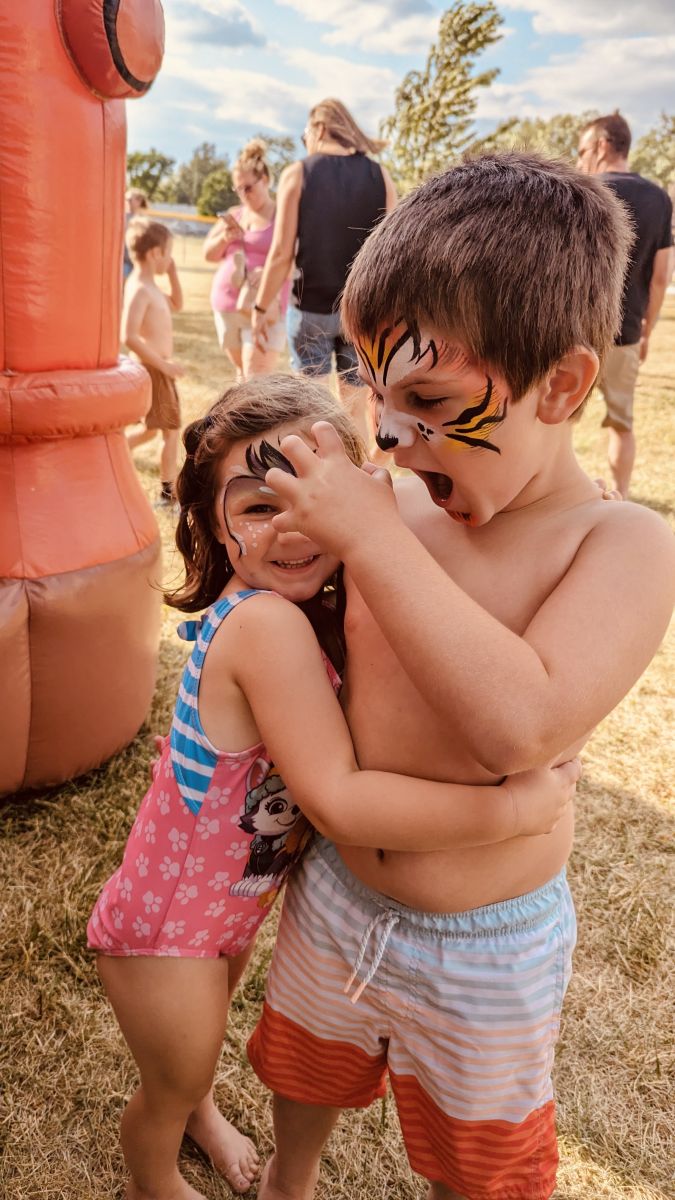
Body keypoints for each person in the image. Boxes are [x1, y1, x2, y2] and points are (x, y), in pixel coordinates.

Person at [245, 154, 675, 1200]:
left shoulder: (618, 544)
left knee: (478, 1159)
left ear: (564, 384)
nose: (389, 436)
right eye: (379, 395)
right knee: (304, 1069)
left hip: (489, 948)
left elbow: (519, 723)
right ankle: (286, 1183)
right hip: (339, 893)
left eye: (427, 396)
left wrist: (374, 539)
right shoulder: (399, 505)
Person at [87, 374, 580, 1200]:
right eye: (254, 506)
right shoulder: (269, 625)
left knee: (195, 1056)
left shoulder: (312, 604)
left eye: (310, 497)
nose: (290, 526)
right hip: (168, 930)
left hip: (225, 910)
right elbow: (340, 801)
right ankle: (152, 1177)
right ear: (212, 525)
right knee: (169, 1080)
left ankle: (201, 1110)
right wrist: (513, 807)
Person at [251, 98, 397, 443]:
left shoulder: (298, 173)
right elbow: (389, 256)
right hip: (361, 311)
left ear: (318, 129)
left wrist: (260, 308)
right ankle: (358, 486)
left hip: (311, 309)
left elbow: (281, 253)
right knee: (356, 410)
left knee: (311, 411)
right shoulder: (381, 175)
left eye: (305, 137)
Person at [577, 112, 673, 497]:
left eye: (582, 150)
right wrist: (646, 330)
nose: (580, 160)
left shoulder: (581, 189)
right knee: (622, 424)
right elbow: (661, 277)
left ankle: (554, 499)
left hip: (576, 335)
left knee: (552, 422)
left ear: (602, 145)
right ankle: (623, 498)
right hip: (627, 333)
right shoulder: (659, 199)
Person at [203, 139, 288, 380]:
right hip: (227, 305)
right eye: (237, 189)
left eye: (248, 188)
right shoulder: (235, 214)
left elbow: (294, 257)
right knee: (242, 375)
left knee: (255, 377)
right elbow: (208, 254)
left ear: (265, 181)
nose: (243, 194)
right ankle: (240, 419)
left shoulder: (283, 215)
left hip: (265, 305)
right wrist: (224, 239)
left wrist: (270, 272)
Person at [123, 218, 184, 508]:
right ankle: (167, 494)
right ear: (154, 254)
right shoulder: (139, 289)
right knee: (171, 431)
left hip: (160, 368)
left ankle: (120, 449)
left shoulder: (151, 285)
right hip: (155, 369)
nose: (170, 258)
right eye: (168, 253)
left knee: (153, 428)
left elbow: (178, 304)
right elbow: (129, 336)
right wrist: (164, 366)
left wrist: (172, 273)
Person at [123, 187, 148, 281]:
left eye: (130, 200)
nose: (127, 202)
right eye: (126, 200)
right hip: (123, 259)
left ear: (139, 201)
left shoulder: (141, 220)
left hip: (135, 259)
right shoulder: (122, 216)